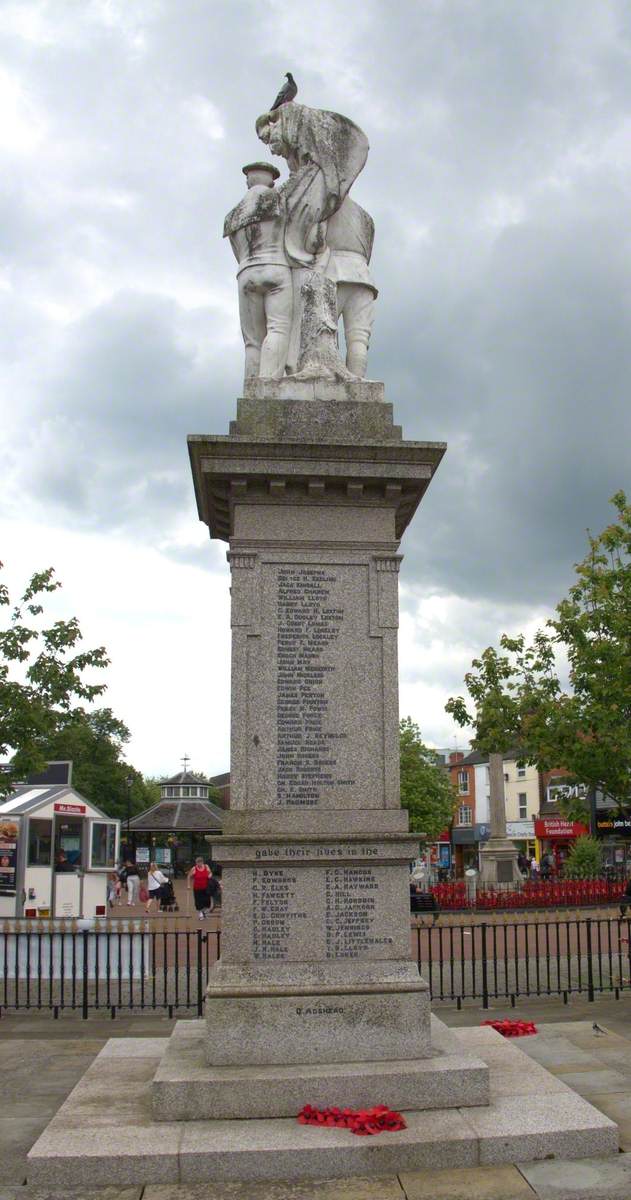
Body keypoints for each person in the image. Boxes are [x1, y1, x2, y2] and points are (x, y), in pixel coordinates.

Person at [223, 162, 293, 381]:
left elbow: (236, 250)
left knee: (252, 341)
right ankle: (269, 386)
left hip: (245, 271)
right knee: (278, 329)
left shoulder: (233, 215)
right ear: (272, 181)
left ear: (248, 181)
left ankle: (251, 390)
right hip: (277, 268)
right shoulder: (281, 202)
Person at [325, 195, 377, 378]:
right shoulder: (365, 217)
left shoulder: (325, 208)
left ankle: (330, 380)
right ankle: (358, 382)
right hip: (363, 277)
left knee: (326, 334)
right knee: (359, 338)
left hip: (332, 273)